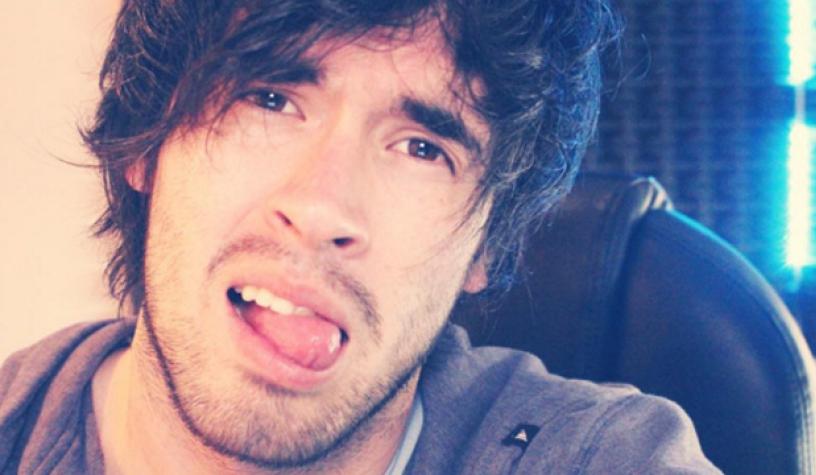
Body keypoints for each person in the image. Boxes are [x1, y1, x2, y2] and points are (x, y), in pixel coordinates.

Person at [0, 0, 720, 473]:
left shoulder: (606, 458)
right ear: (146, 143)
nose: (322, 209)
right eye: (270, 100)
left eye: (422, 149)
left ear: (488, 244)